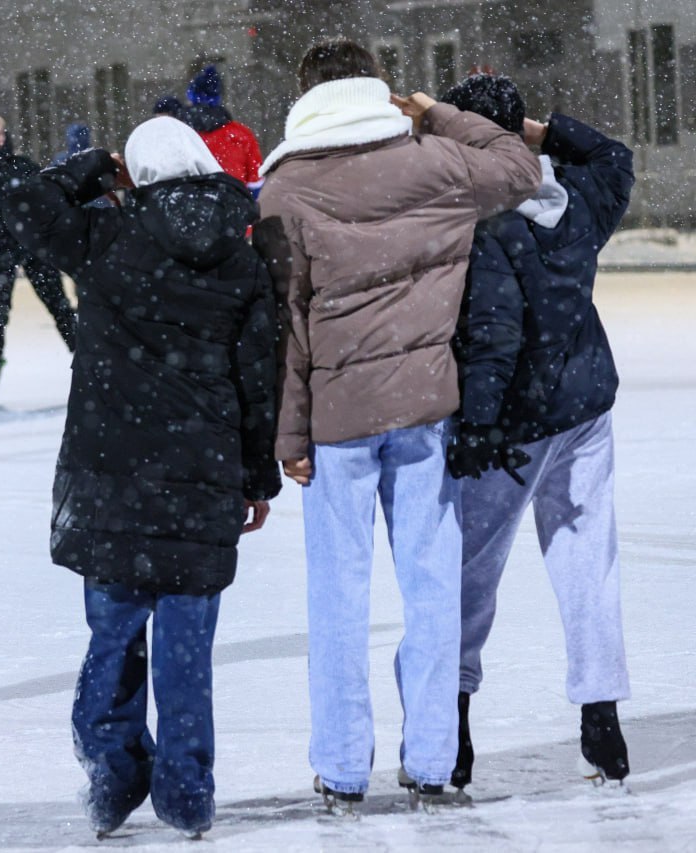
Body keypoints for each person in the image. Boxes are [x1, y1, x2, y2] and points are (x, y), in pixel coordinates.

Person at [252, 38, 541, 810]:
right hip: (424, 406)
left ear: (306, 94)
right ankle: (433, 758)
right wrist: (439, 113)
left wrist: (290, 436)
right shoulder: (435, 161)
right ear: (379, 90)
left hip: (338, 425)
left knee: (338, 600)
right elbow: (520, 166)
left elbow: (290, 327)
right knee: (432, 587)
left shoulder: (284, 188)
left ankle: (344, 768)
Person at [6, 117, 280, 839]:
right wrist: (257, 476)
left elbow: (24, 205)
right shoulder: (242, 260)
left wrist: (90, 165)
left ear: (135, 174)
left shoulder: (108, 244)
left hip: (112, 476)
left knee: (114, 637)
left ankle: (117, 766)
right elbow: (258, 380)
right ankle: (188, 792)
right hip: (203, 474)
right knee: (186, 651)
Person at [440, 73, 635, 791]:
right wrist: (544, 132)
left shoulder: (484, 218)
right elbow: (615, 157)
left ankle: (452, 721)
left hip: (514, 428)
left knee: (472, 572)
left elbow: (494, 335)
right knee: (589, 562)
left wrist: (478, 427)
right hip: (584, 407)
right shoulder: (577, 203)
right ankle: (601, 713)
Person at [0, 113, 77, 396]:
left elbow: (48, 204)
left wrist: (53, 239)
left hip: (34, 248)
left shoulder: (23, 167)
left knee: (58, 304)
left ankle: (83, 354)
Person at [177, 66, 265, 197]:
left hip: (191, 205)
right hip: (234, 204)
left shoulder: (180, 134)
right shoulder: (240, 134)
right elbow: (255, 181)